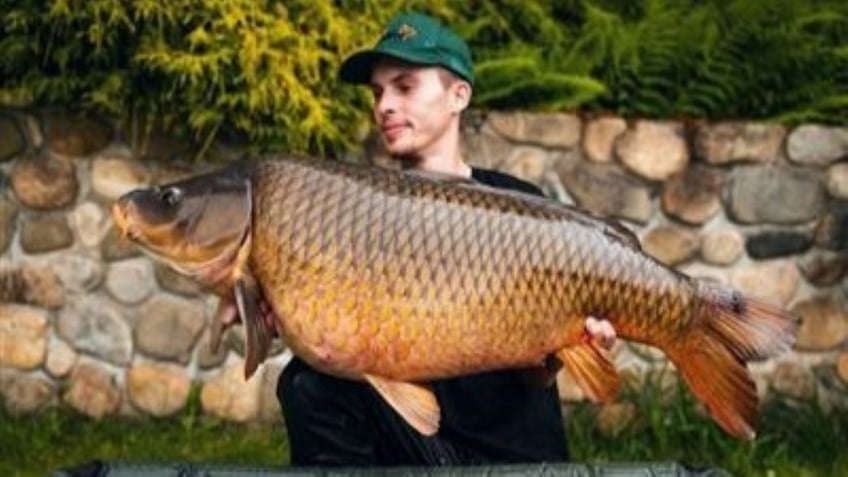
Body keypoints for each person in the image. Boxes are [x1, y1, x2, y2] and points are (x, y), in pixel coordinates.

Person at [276, 12, 617, 466]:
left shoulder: (520, 206)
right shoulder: (363, 214)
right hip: (420, 446)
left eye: (405, 86)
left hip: (512, 461)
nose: (384, 106)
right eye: (378, 93)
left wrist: (572, 348)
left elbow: (534, 381)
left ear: (459, 95)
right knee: (307, 384)